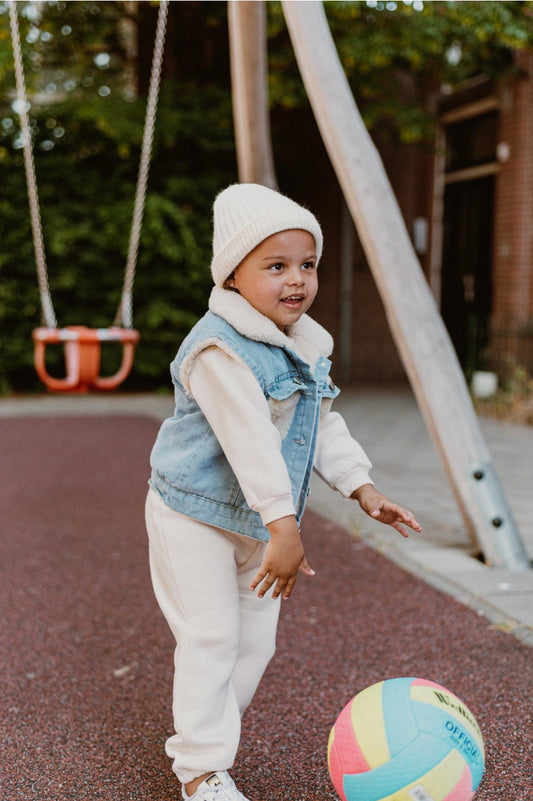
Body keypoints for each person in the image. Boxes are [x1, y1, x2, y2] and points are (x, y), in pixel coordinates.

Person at [145, 183, 421, 801]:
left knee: (256, 645)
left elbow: (320, 422)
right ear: (234, 277)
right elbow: (247, 439)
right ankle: (199, 769)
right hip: (195, 513)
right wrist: (285, 526)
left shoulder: (304, 345)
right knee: (212, 636)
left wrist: (362, 488)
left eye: (307, 264)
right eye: (275, 266)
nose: (296, 279)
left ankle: (205, 733)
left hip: (261, 524)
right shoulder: (219, 348)